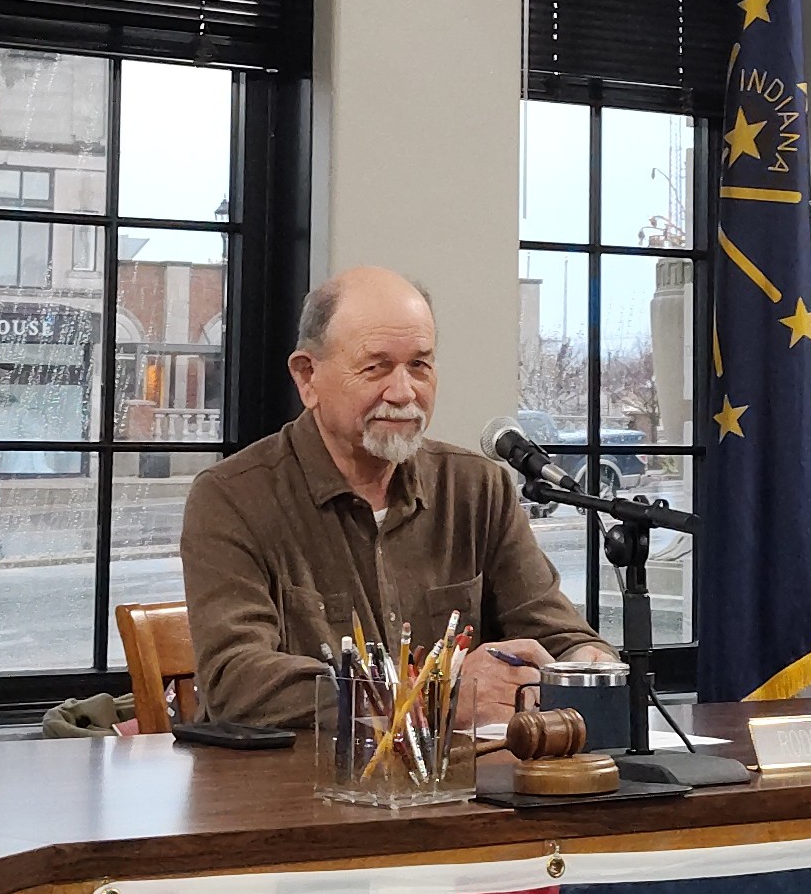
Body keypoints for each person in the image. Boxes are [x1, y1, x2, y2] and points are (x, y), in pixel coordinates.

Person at [179, 266, 613, 729]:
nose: (404, 392)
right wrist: (429, 697)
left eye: (419, 366)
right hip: (298, 772)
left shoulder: (477, 488)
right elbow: (237, 683)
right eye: (376, 367)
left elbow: (557, 633)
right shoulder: (233, 497)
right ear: (307, 377)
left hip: (466, 773)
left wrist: (589, 664)